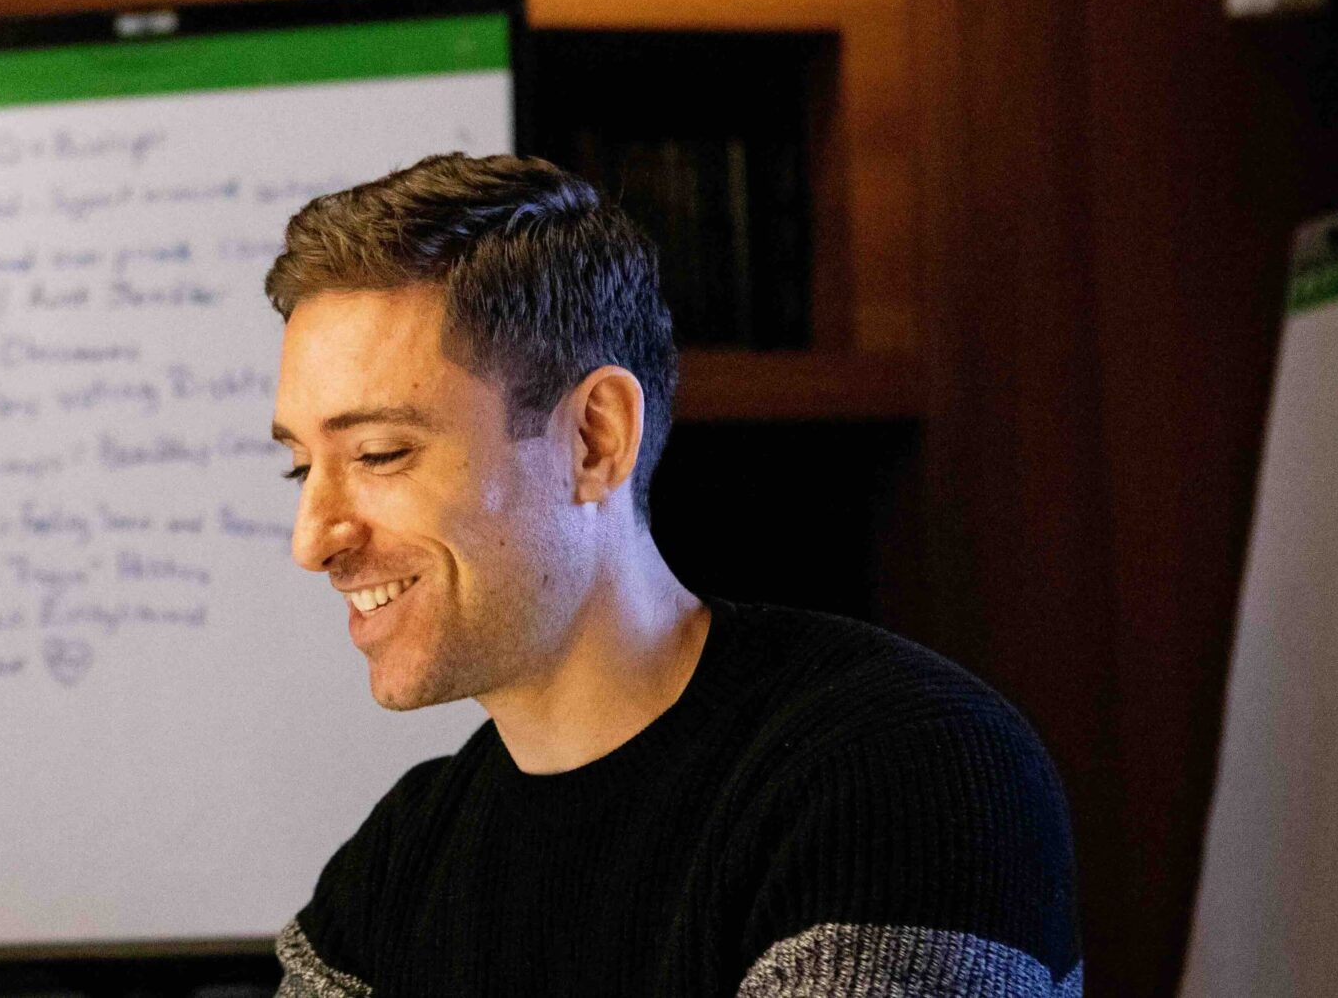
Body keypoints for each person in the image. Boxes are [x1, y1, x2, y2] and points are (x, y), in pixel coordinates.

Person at [263, 154, 1080, 996]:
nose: (312, 538)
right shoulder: (397, 865)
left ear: (596, 439)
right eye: (300, 467)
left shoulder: (897, 772)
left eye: (379, 454)